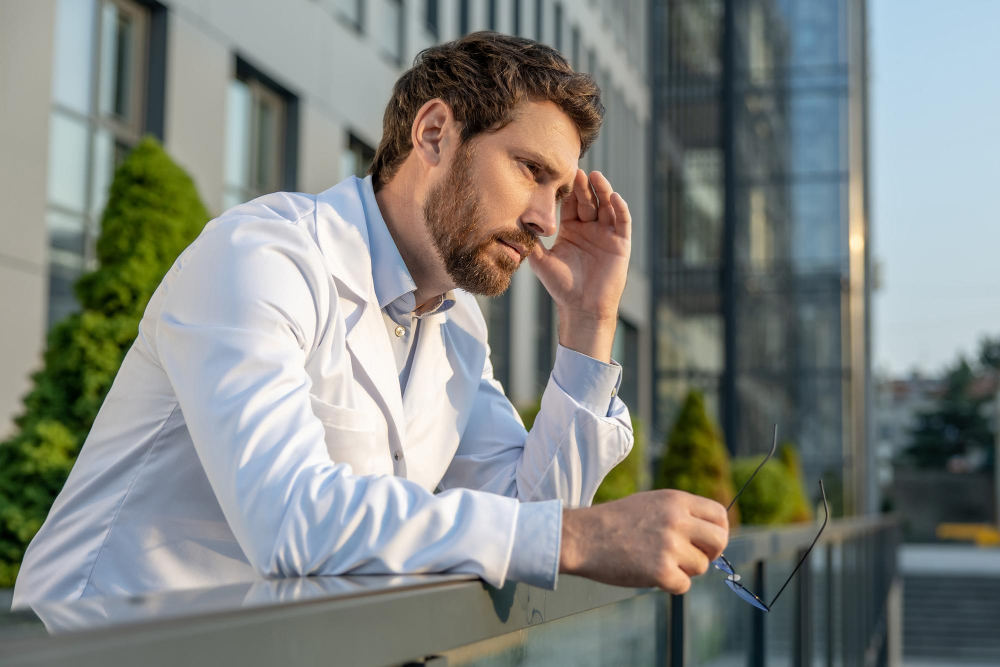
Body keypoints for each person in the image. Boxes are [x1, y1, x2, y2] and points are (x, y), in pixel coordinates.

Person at [12, 32, 727, 610]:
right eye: (529, 170)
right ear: (436, 132)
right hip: (93, 646)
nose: (546, 219)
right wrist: (576, 536)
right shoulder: (262, 256)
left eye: (562, 189)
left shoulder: (456, 328)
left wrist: (588, 321)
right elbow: (290, 518)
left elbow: (529, 516)